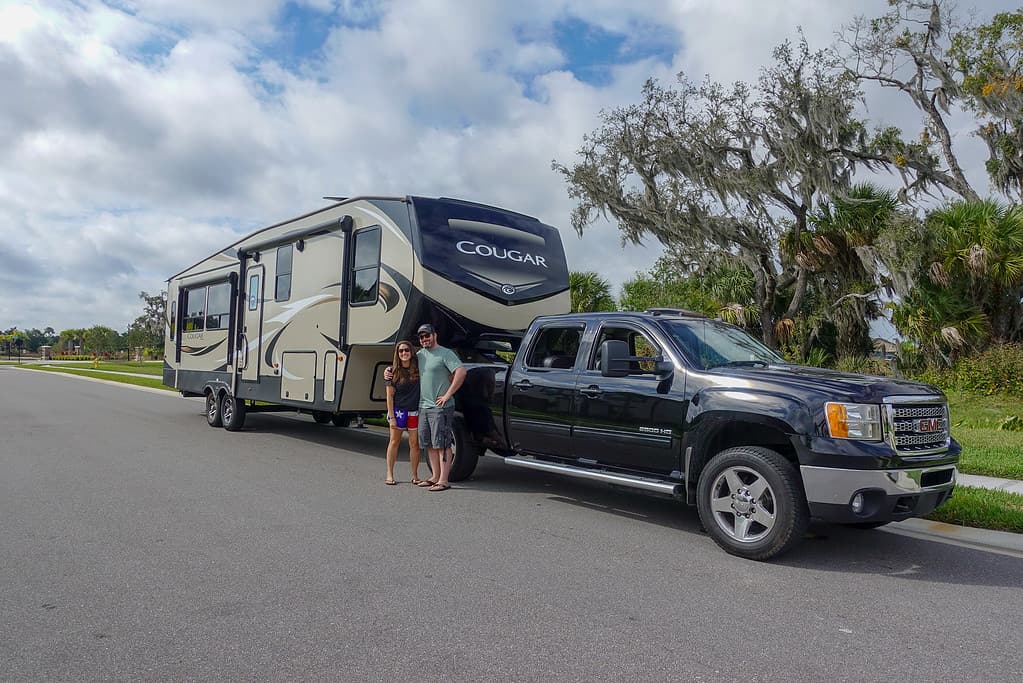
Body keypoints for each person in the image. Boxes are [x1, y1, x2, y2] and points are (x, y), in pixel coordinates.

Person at [413, 324, 465, 492]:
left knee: (442, 444)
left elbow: (461, 372)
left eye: (427, 335)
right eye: (421, 337)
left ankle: (444, 480)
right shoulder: (420, 355)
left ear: (434, 335)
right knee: (429, 443)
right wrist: (389, 371)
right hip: (423, 406)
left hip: (440, 407)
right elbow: (404, 365)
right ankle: (435, 476)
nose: (424, 339)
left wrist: (448, 394)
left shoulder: (445, 353)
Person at [384, 340, 422, 485]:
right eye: (401, 351)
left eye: (406, 350)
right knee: (394, 442)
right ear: (397, 354)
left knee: (414, 444)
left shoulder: (418, 369)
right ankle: (389, 474)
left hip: (414, 411)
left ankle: (415, 476)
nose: (404, 353)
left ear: (411, 352)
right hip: (398, 411)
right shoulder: (392, 372)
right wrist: (392, 416)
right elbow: (389, 396)